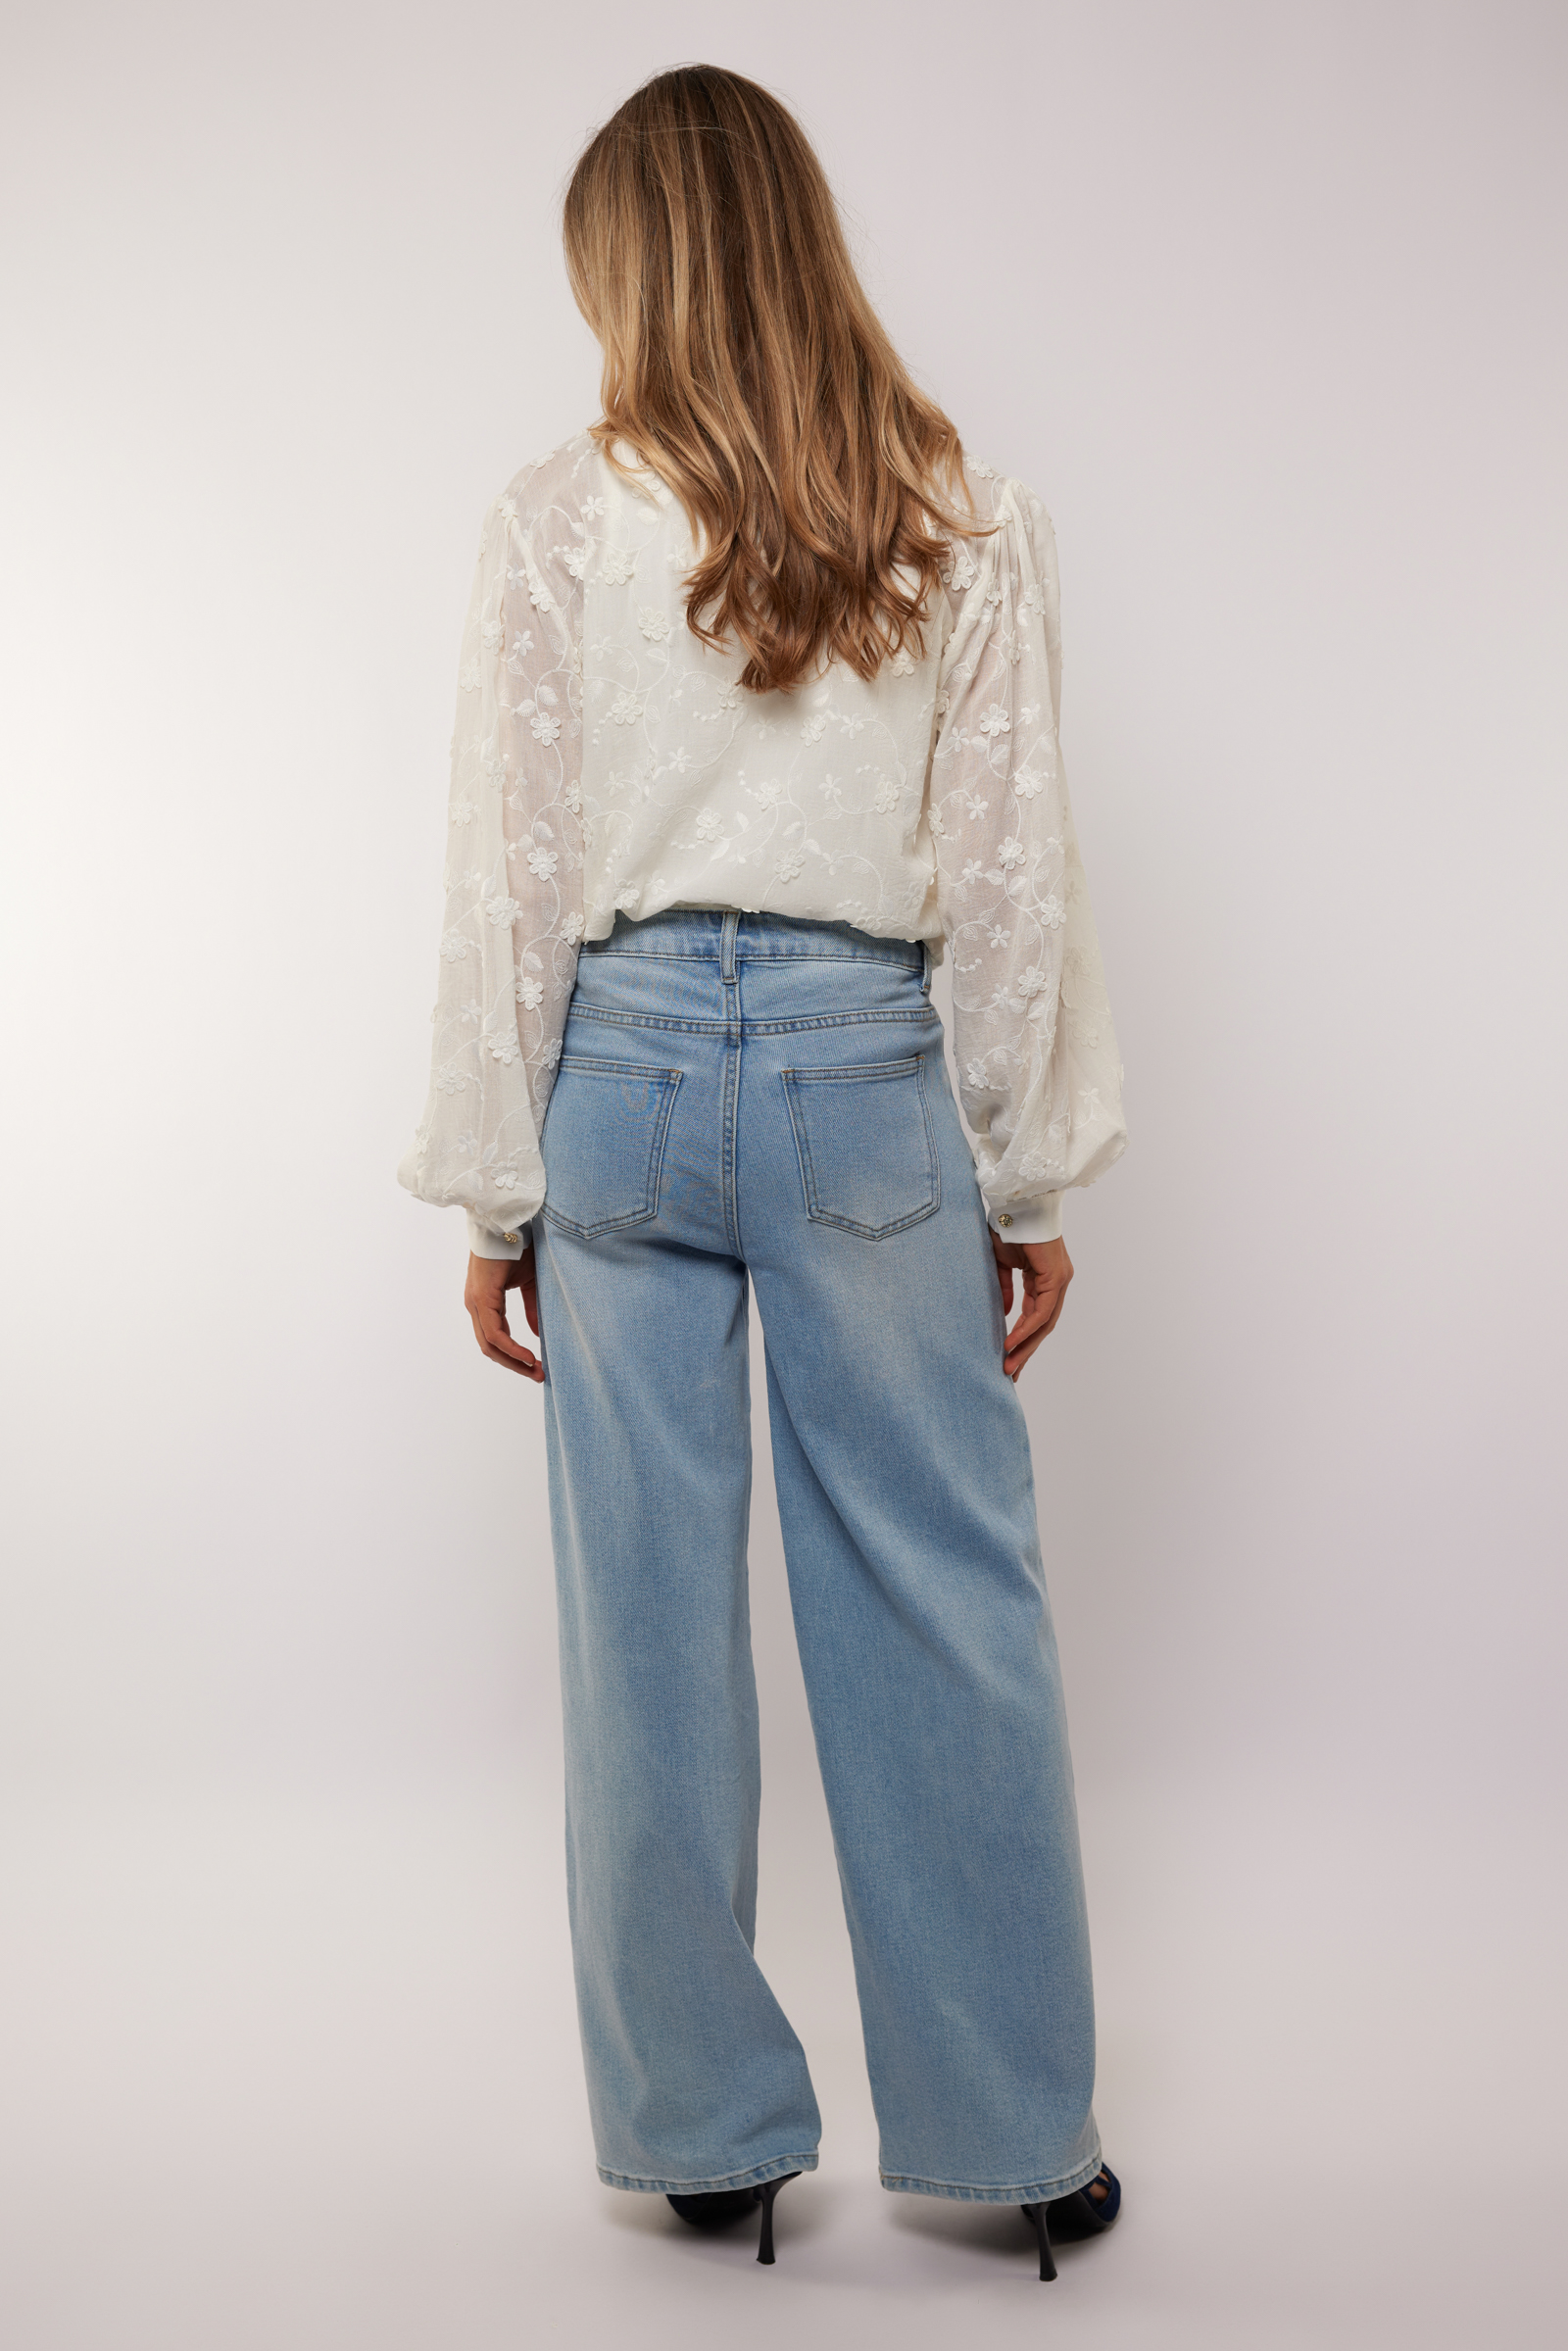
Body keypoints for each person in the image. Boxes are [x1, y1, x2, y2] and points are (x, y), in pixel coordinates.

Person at [399, 65, 1127, 2279]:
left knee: (640, 1616)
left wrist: (498, 1184)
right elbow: (1005, 874)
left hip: (617, 1076)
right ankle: (1014, 2139)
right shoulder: (956, 516)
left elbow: (515, 872)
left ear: (631, 270)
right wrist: (1022, 1172)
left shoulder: (555, 521)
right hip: (861, 1079)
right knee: (942, 1587)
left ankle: (702, 2135)